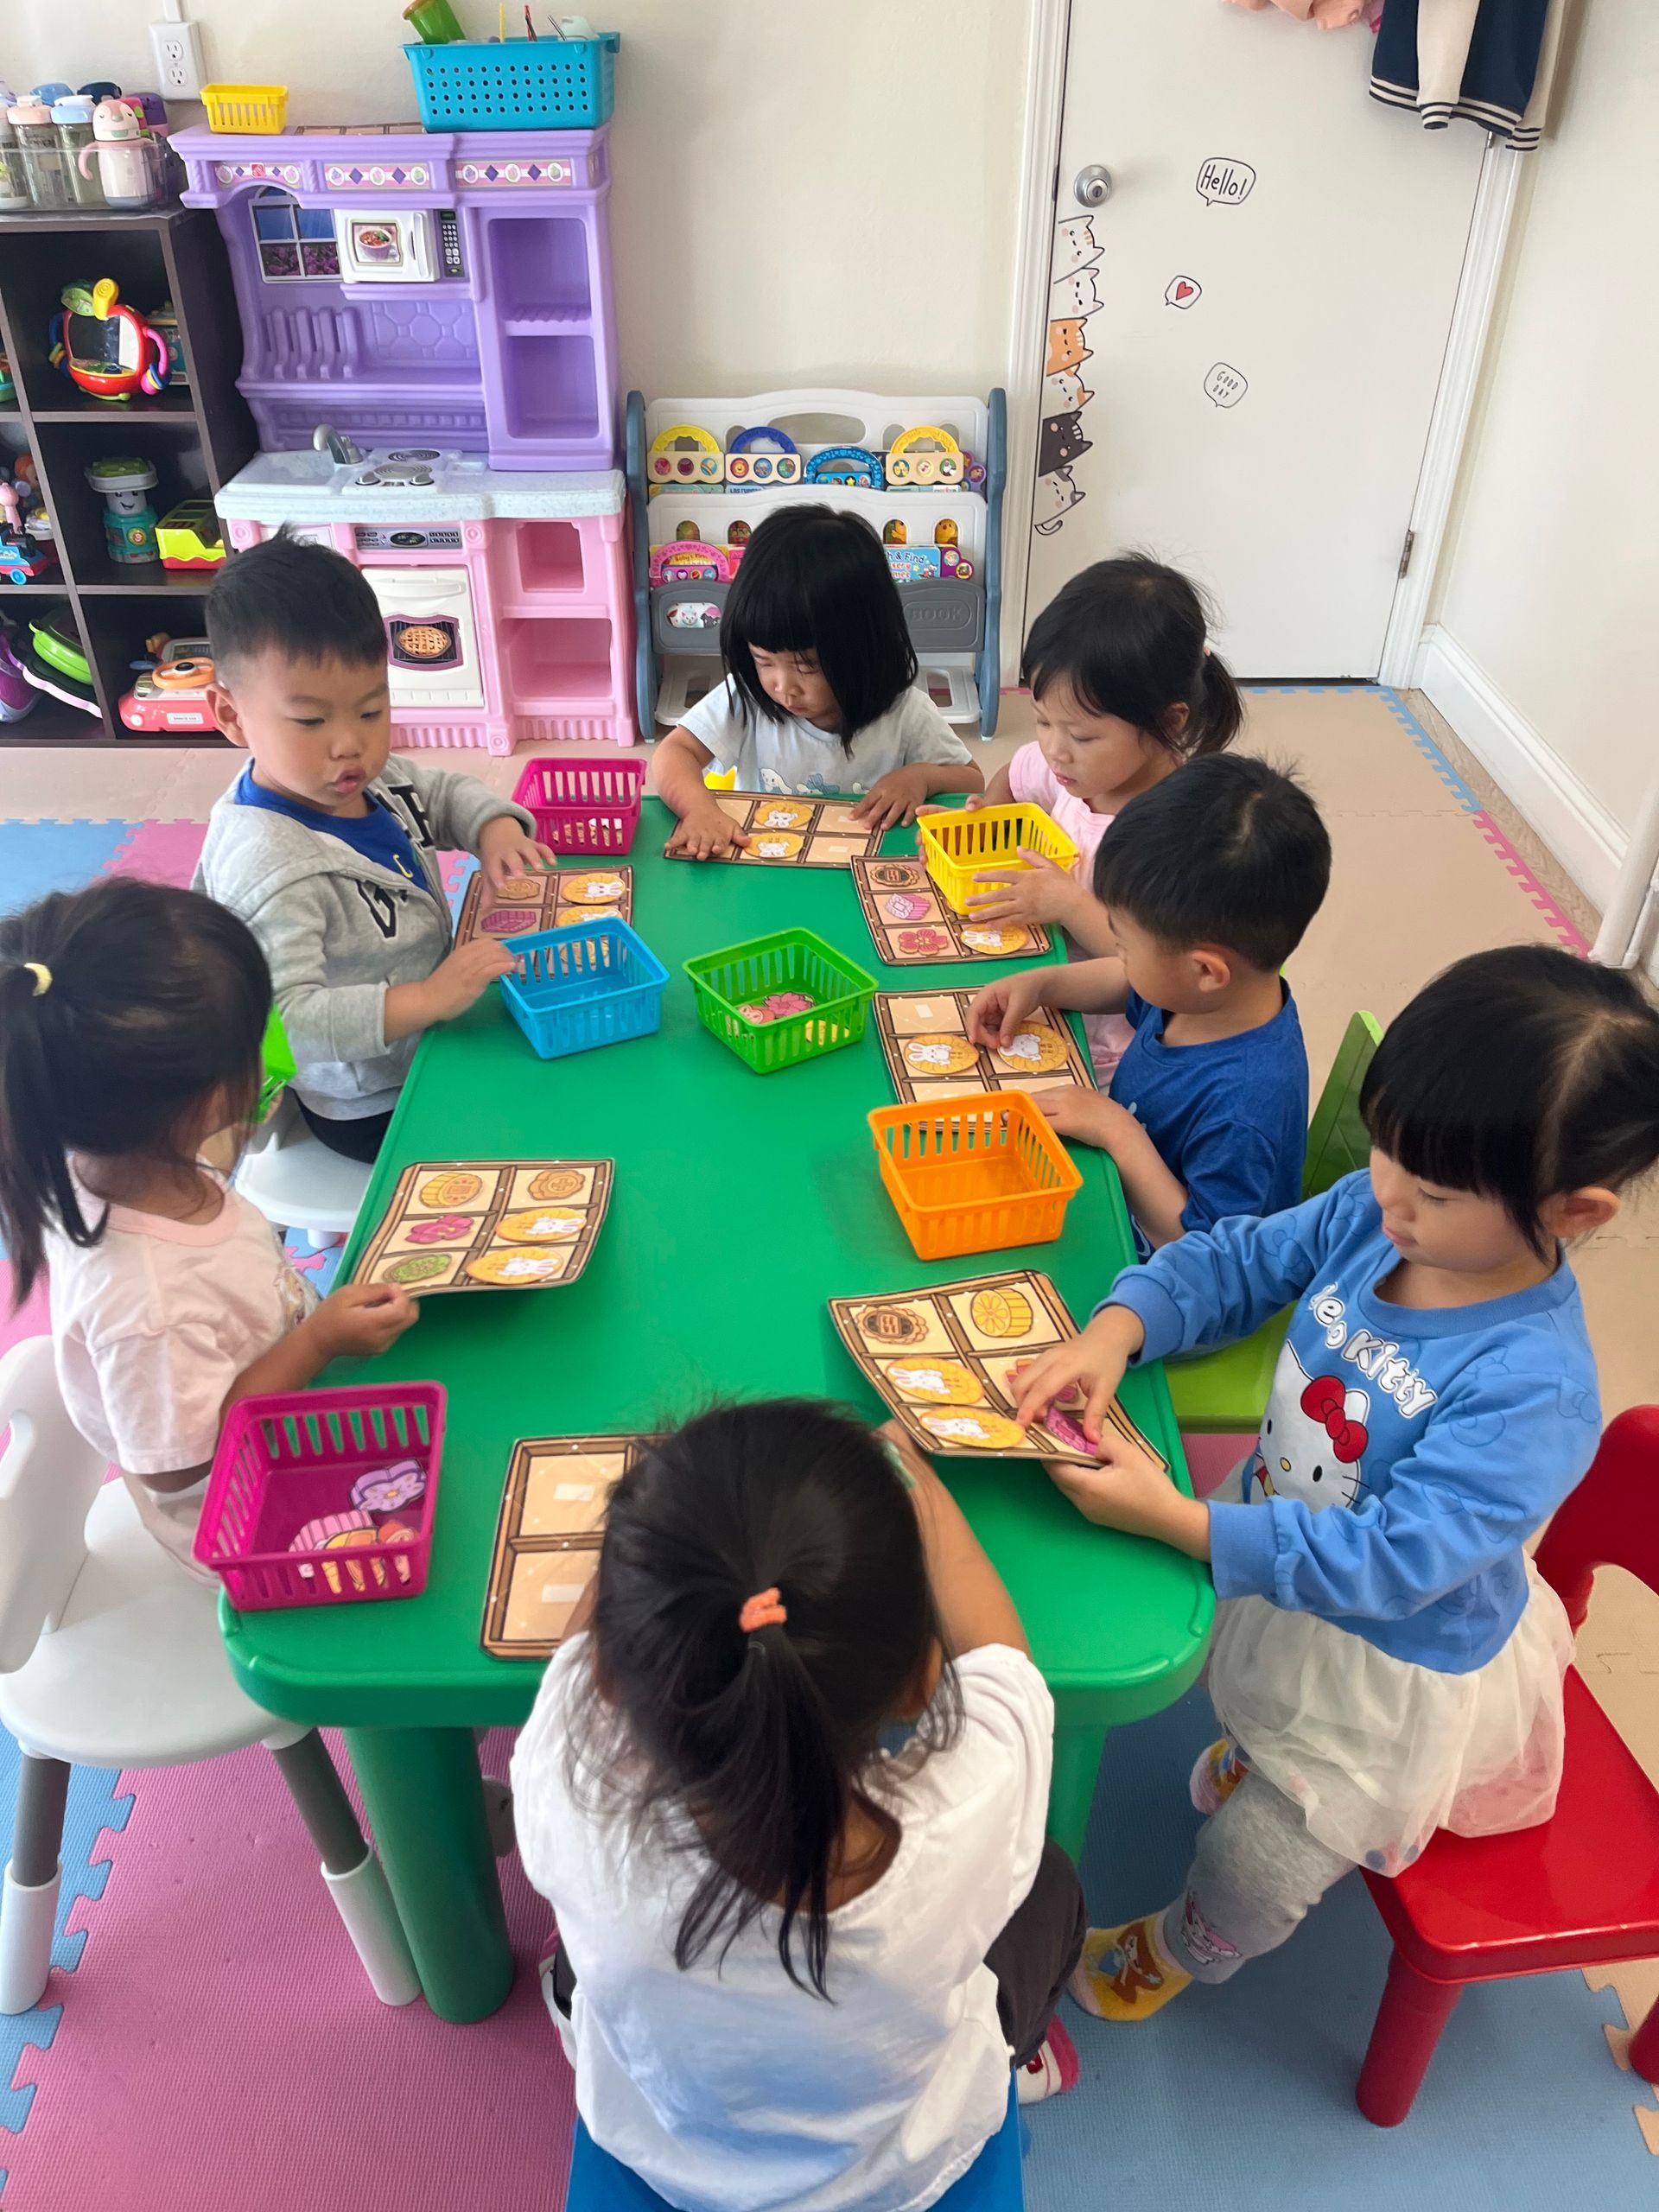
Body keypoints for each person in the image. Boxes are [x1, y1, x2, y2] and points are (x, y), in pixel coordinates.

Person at [1007, 944, 1659, 2019]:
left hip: (1389, 1668)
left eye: (1435, 1190)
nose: (1390, 1197)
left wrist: (1179, 1519)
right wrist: (1117, 1328)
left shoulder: (1531, 1386)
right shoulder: (1377, 1206)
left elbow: (1394, 1566)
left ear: (1574, 1211)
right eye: (1391, 1152)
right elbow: (1238, 1259)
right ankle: (1255, 1749)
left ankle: (1190, 1942)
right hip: (1284, 1558)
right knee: (1237, 1680)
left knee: (1256, 1858)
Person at [512, 1402, 1087, 2212]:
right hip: (907, 2169)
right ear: (920, 1683)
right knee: (1049, 1882)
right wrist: (908, 1474)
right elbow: (1002, 1665)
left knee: (589, 1935)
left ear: (611, 1681)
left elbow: (592, 1649)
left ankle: (571, 1996)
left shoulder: (570, 1791)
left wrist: (660, 1507)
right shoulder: (968, 1811)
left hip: (668, 2160)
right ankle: (1021, 2058)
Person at [0, 880, 419, 1577]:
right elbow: (184, 1469)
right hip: (247, 1522)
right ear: (210, 1095)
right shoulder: (149, 1307)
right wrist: (317, 1341)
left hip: (293, 1404)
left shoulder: (115, 1158)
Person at [194, 529, 550, 1163]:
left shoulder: (361, 778)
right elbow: (286, 1022)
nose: (348, 744)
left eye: (371, 709)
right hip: (370, 1102)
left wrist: (493, 827)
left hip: (432, 1033)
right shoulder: (272, 864)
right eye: (311, 720)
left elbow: (441, 795)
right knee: (536, 1117)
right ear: (229, 715)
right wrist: (426, 999)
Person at [968, 753, 1330, 1251]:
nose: (1117, 954)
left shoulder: (1246, 1107)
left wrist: (1117, 1132)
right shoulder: (1208, 998)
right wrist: (1043, 983)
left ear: (1205, 970)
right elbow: (1127, 982)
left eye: (1124, 943)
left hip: (1174, 1280)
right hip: (1119, 1190)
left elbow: (1207, 1253)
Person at [965, 556, 1243, 1081]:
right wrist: (980, 825)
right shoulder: (1070, 771)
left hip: (1109, 1055)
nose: (1055, 750)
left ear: (1167, 721)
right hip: (1034, 993)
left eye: (1083, 736)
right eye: (1043, 720)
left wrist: (1067, 903)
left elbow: (1148, 966)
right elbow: (1011, 776)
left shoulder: (1179, 833)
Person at [654, 506, 983, 855]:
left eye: (806, 665)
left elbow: (971, 778)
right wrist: (699, 809)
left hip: (863, 875)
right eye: (763, 660)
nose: (783, 686)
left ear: (864, 648)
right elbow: (674, 753)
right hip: (765, 874)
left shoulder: (905, 712)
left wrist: (923, 776)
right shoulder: (747, 696)